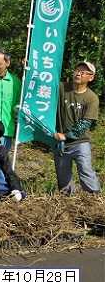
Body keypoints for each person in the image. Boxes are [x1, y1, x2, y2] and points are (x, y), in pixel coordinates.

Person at [53, 61, 101, 194]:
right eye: (77, 70)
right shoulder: (62, 88)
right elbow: (46, 85)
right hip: (60, 142)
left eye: (83, 72)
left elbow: (85, 123)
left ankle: (94, 199)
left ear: (90, 77)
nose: (78, 73)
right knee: (63, 178)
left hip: (80, 142)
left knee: (86, 171)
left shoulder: (91, 98)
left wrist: (67, 135)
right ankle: (66, 206)